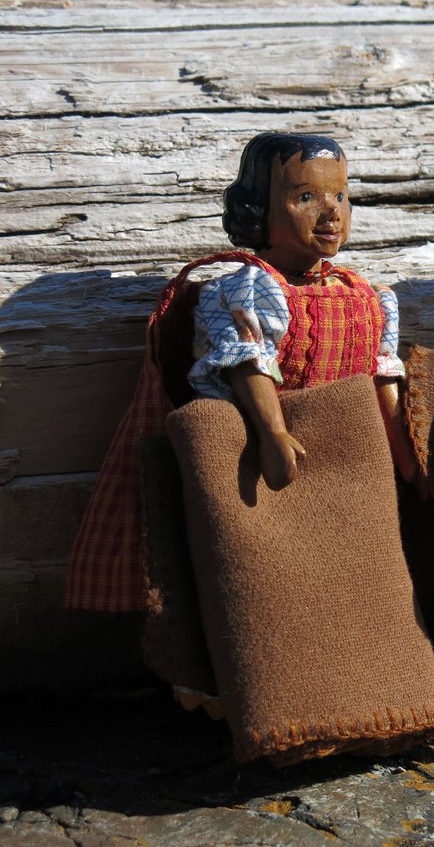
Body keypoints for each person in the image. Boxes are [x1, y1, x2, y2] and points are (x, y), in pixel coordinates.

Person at [65, 132, 412, 612]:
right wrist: (273, 432)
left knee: (365, 578)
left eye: (340, 195)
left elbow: (382, 376)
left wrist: (405, 455)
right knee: (266, 581)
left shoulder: (369, 296)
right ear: (257, 209)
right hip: (264, 457)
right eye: (305, 197)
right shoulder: (247, 288)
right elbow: (248, 361)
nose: (331, 213)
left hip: (355, 463)